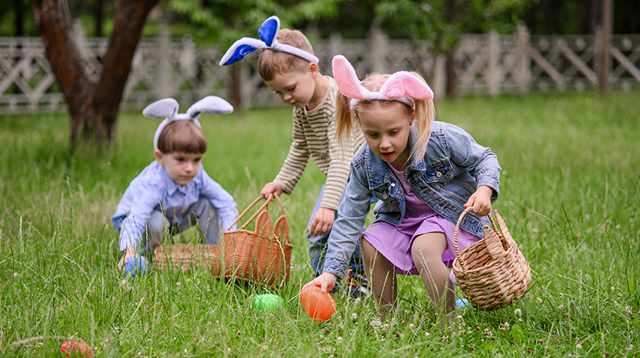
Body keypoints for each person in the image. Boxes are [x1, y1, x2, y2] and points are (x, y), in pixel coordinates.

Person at [304, 55, 501, 318]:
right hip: (404, 221)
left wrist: (484, 189)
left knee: (424, 248)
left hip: (448, 216)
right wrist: (331, 271)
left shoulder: (439, 138)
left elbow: (484, 158)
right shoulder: (363, 163)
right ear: (359, 123)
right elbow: (350, 216)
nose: (384, 144)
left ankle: (448, 320)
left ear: (410, 116)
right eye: (373, 134)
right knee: (370, 244)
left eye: (393, 132)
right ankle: (387, 318)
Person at [220, 16, 368, 296]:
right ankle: (327, 287)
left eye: (290, 88)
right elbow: (300, 147)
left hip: (366, 174)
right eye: (278, 93)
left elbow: (342, 156)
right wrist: (281, 182)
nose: (286, 97)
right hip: (344, 179)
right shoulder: (301, 108)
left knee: (331, 228)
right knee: (320, 233)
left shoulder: (340, 100)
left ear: (313, 69)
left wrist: (329, 205)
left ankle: (355, 284)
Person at [112, 96, 239, 273]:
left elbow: (225, 201)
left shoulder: (198, 175)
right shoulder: (154, 182)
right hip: (141, 221)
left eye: (196, 160)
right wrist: (129, 250)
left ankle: (215, 255)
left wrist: (232, 237)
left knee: (209, 205)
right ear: (160, 157)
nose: (189, 168)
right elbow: (137, 216)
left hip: (173, 217)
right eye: (180, 160)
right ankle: (144, 259)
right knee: (156, 221)